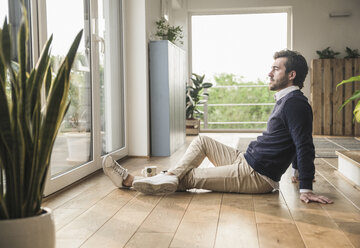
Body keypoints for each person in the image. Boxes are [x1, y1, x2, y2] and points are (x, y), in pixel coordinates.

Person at [102, 50, 333, 204]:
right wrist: (297, 171)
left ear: (291, 75)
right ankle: (166, 176)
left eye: (276, 69)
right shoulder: (288, 99)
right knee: (202, 141)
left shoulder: (295, 104)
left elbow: (304, 144)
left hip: (256, 175)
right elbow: (294, 139)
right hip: (245, 160)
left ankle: (131, 180)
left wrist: (306, 187)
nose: (269, 73)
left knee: (191, 176)